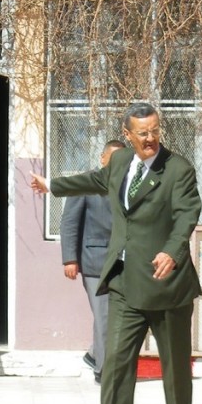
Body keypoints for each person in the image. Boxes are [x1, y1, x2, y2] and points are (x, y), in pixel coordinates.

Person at [30, 102, 202, 404]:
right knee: (116, 365)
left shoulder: (179, 170)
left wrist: (172, 252)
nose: (151, 138)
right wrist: (52, 185)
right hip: (125, 283)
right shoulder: (122, 163)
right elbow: (95, 179)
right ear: (128, 135)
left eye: (155, 130)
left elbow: (187, 215)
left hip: (166, 284)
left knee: (175, 371)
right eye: (143, 133)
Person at [60, 140, 126, 384]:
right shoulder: (86, 183)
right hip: (95, 262)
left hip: (124, 263)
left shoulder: (131, 185)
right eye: (114, 159)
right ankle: (104, 372)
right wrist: (70, 258)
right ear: (102, 159)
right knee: (105, 317)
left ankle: (93, 354)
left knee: (119, 318)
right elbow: (69, 222)